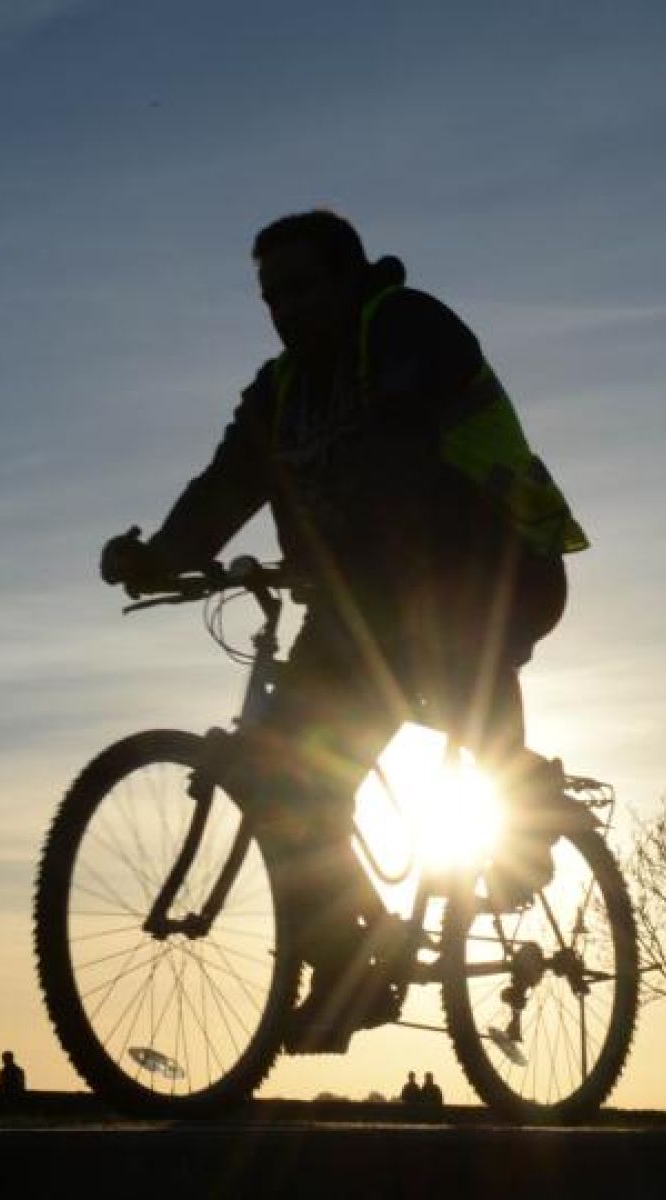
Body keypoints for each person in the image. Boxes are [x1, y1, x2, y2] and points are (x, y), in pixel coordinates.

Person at [100, 209, 585, 1052]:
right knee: (277, 780)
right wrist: (162, 556)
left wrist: (344, 559)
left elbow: (398, 459)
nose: (284, 307)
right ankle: (353, 959)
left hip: (494, 568)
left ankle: (523, 809)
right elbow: (227, 484)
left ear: (350, 276)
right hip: (361, 608)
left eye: (300, 286)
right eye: (269, 295)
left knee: (449, 644)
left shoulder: (404, 326)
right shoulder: (279, 391)